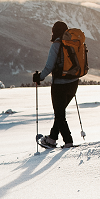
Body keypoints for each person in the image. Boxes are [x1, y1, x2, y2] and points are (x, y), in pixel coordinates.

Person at [32, 21, 81, 149]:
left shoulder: (57, 45)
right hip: (73, 84)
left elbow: (49, 66)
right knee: (60, 114)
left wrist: (39, 77)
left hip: (60, 85)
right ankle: (52, 139)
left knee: (60, 115)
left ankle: (68, 141)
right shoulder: (73, 43)